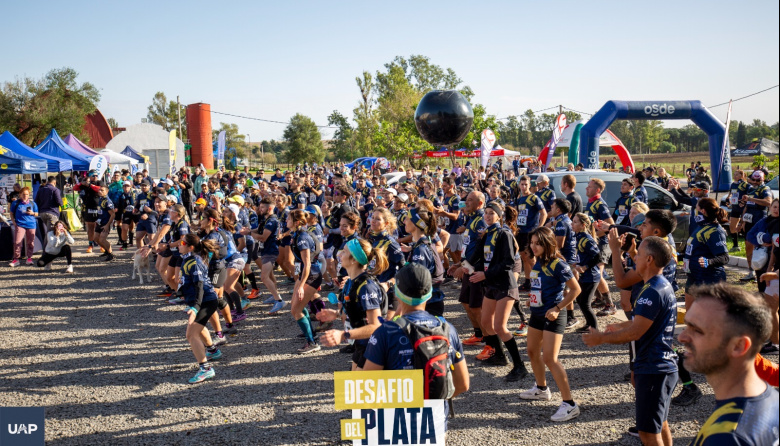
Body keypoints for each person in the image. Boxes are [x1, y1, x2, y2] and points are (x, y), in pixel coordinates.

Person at [584, 236, 678, 446]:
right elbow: (645, 324)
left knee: (647, 433)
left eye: (639, 254)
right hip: (660, 366)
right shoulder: (659, 285)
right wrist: (620, 326)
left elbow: (635, 332)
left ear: (649, 260)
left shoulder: (651, 292)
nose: (633, 257)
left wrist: (601, 338)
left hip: (655, 367)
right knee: (659, 423)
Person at [362, 263, 470, 429]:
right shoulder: (447, 328)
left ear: (397, 293)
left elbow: (368, 384)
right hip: (435, 422)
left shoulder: (385, 332)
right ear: (429, 294)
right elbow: (463, 384)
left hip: (397, 422)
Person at [681, 283, 778, 446]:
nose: (682, 337)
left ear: (739, 346)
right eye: (687, 325)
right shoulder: (770, 399)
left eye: (697, 330)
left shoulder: (729, 437)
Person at [520, 227, 582, 422]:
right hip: (537, 313)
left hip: (554, 315)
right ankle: (541, 388)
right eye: (532, 242)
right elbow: (540, 286)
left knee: (550, 358)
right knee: (531, 351)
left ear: (548, 243)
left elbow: (575, 290)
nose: (533, 246)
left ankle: (570, 404)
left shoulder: (558, 264)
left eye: (538, 243)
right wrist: (532, 299)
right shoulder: (538, 262)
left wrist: (557, 307)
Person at [469, 202, 529, 381]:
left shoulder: (504, 234)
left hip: (505, 285)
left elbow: (508, 263)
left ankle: (520, 366)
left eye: (491, 213)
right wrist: (462, 266)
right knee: (486, 322)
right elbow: (478, 257)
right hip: (492, 284)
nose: (487, 216)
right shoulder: (487, 233)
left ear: (499, 216)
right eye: (485, 213)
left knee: (500, 327)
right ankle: (500, 356)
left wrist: (484, 274)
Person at [318, 238, 388, 368]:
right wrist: (337, 313)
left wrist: (343, 335)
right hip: (361, 345)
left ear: (354, 260)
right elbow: (359, 313)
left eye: (344, 252)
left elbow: (376, 326)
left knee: (359, 387)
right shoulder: (352, 282)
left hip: (373, 348)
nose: (339, 255)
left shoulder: (366, 287)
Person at [178, 233, 223, 384]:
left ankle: (206, 369)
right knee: (199, 326)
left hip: (206, 301)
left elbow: (200, 286)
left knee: (191, 334)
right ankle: (212, 350)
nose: (179, 244)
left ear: (190, 247)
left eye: (182, 243)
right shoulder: (189, 259)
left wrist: (196, 307)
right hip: (200, 301)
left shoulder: (195, 261)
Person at [448, 191, 487, 346]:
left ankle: (488, 339)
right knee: (466, 302)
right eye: (466, 200)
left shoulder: (481, 220)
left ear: (480, 203)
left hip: (475, 269)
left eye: (470, 200)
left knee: (476, 306)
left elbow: (480, 249)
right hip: (466, 266)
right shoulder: (471, 219)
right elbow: (468, 246)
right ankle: (478, 334)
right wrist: (458, 264)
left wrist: (465, 266)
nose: (466, 203)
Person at [287, 209, 324, 354]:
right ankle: (311, 334)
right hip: (305, 274)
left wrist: (301, 285)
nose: (286, 221)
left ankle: (312, 343)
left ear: (296, 222)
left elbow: (307, 263)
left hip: (311, 275)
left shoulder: (302, 237)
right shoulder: (297, 234)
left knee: (296, 310)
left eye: (288, 219)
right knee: (296, 308)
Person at [682, 197, 729, 309]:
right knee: (690, 317)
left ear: (702, 211)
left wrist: (709, 262)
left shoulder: (715, 231)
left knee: (708, 319)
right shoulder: (700, 227)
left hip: (709, 279)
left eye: (696, 208)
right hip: (693, 277)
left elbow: (724, 257)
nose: (694, 211)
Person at [402, 207, 446, 317]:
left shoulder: (421, 249)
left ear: (416, 224)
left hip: (428, 304)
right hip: (429, 301)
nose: (404, 221)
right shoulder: (421, 244)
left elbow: (418, 282)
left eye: (407, 218)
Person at [737, 170, 772, 281]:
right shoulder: (750, 189)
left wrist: (751, 199)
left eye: (758, 180)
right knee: (748, 245)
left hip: (760, 220)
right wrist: (741, 222)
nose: (756, 182)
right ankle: (750, 271)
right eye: (754, 180)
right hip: (749, 219)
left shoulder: (765, 189)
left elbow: (768, 202)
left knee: (760, 246)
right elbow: (746, 207)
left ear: (762, 180)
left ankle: (761, 271)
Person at [514, 176, 547, 291]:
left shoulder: (534, 198)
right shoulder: (519, 199)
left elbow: (544, 213)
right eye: (522, 184)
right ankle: (528, 282)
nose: (523, 187)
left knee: (532, 259)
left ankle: (540, 283)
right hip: (520, 232)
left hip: (530, 232)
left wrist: (539, 228)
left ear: (529, 185)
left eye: (526, 185)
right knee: (524, 257)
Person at [571, 213, 601, 332]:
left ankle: (594, 328)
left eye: (575, 222)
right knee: (580, 300)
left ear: (583, 225)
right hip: (585, 276)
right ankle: (589, 324)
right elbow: (584, 255)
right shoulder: (578, 237)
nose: (572, 224)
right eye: (573, 221)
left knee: (585, 303)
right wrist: (577, 263)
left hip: (592, 276)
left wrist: (585, 266)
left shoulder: (586, 239)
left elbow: (598, 256)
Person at [10, 187, 39, 267]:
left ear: (29, 194)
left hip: (31, 224)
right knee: (17, 242)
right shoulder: (15, 203)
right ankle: (16, 259)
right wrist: (14, 222)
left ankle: (29, 258)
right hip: (20, 224)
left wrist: (32, 213)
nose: (25, 196)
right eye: (23, 194)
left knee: (30, 242)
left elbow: (37, 213)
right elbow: (11, 213)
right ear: (20, 195)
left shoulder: (33, 203)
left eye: (26, 194)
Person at [727, 169, 748, 252]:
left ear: (742, 176)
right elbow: (731, 194)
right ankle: (735, 245)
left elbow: (749, 194)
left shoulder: (745, 185)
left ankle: (749, 245)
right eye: (734, 174)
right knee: (732, 226)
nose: (735, 176)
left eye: (737, 174)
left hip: (743, 208)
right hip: (735, 207)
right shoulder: (733, 184)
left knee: (744, 226)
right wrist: (728, 199)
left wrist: (744, 201)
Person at [93, 185, 116, 262]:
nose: (100, 191)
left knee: (102, 239)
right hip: (100, 222)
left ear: (107, 191)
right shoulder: (100, 199)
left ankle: (111, 254)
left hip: (105, 223)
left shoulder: (107, 201)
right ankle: (106, 250)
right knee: (96, 238)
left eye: (102, 190)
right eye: (99, 190)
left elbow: (113, 214)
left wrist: (107, 225)